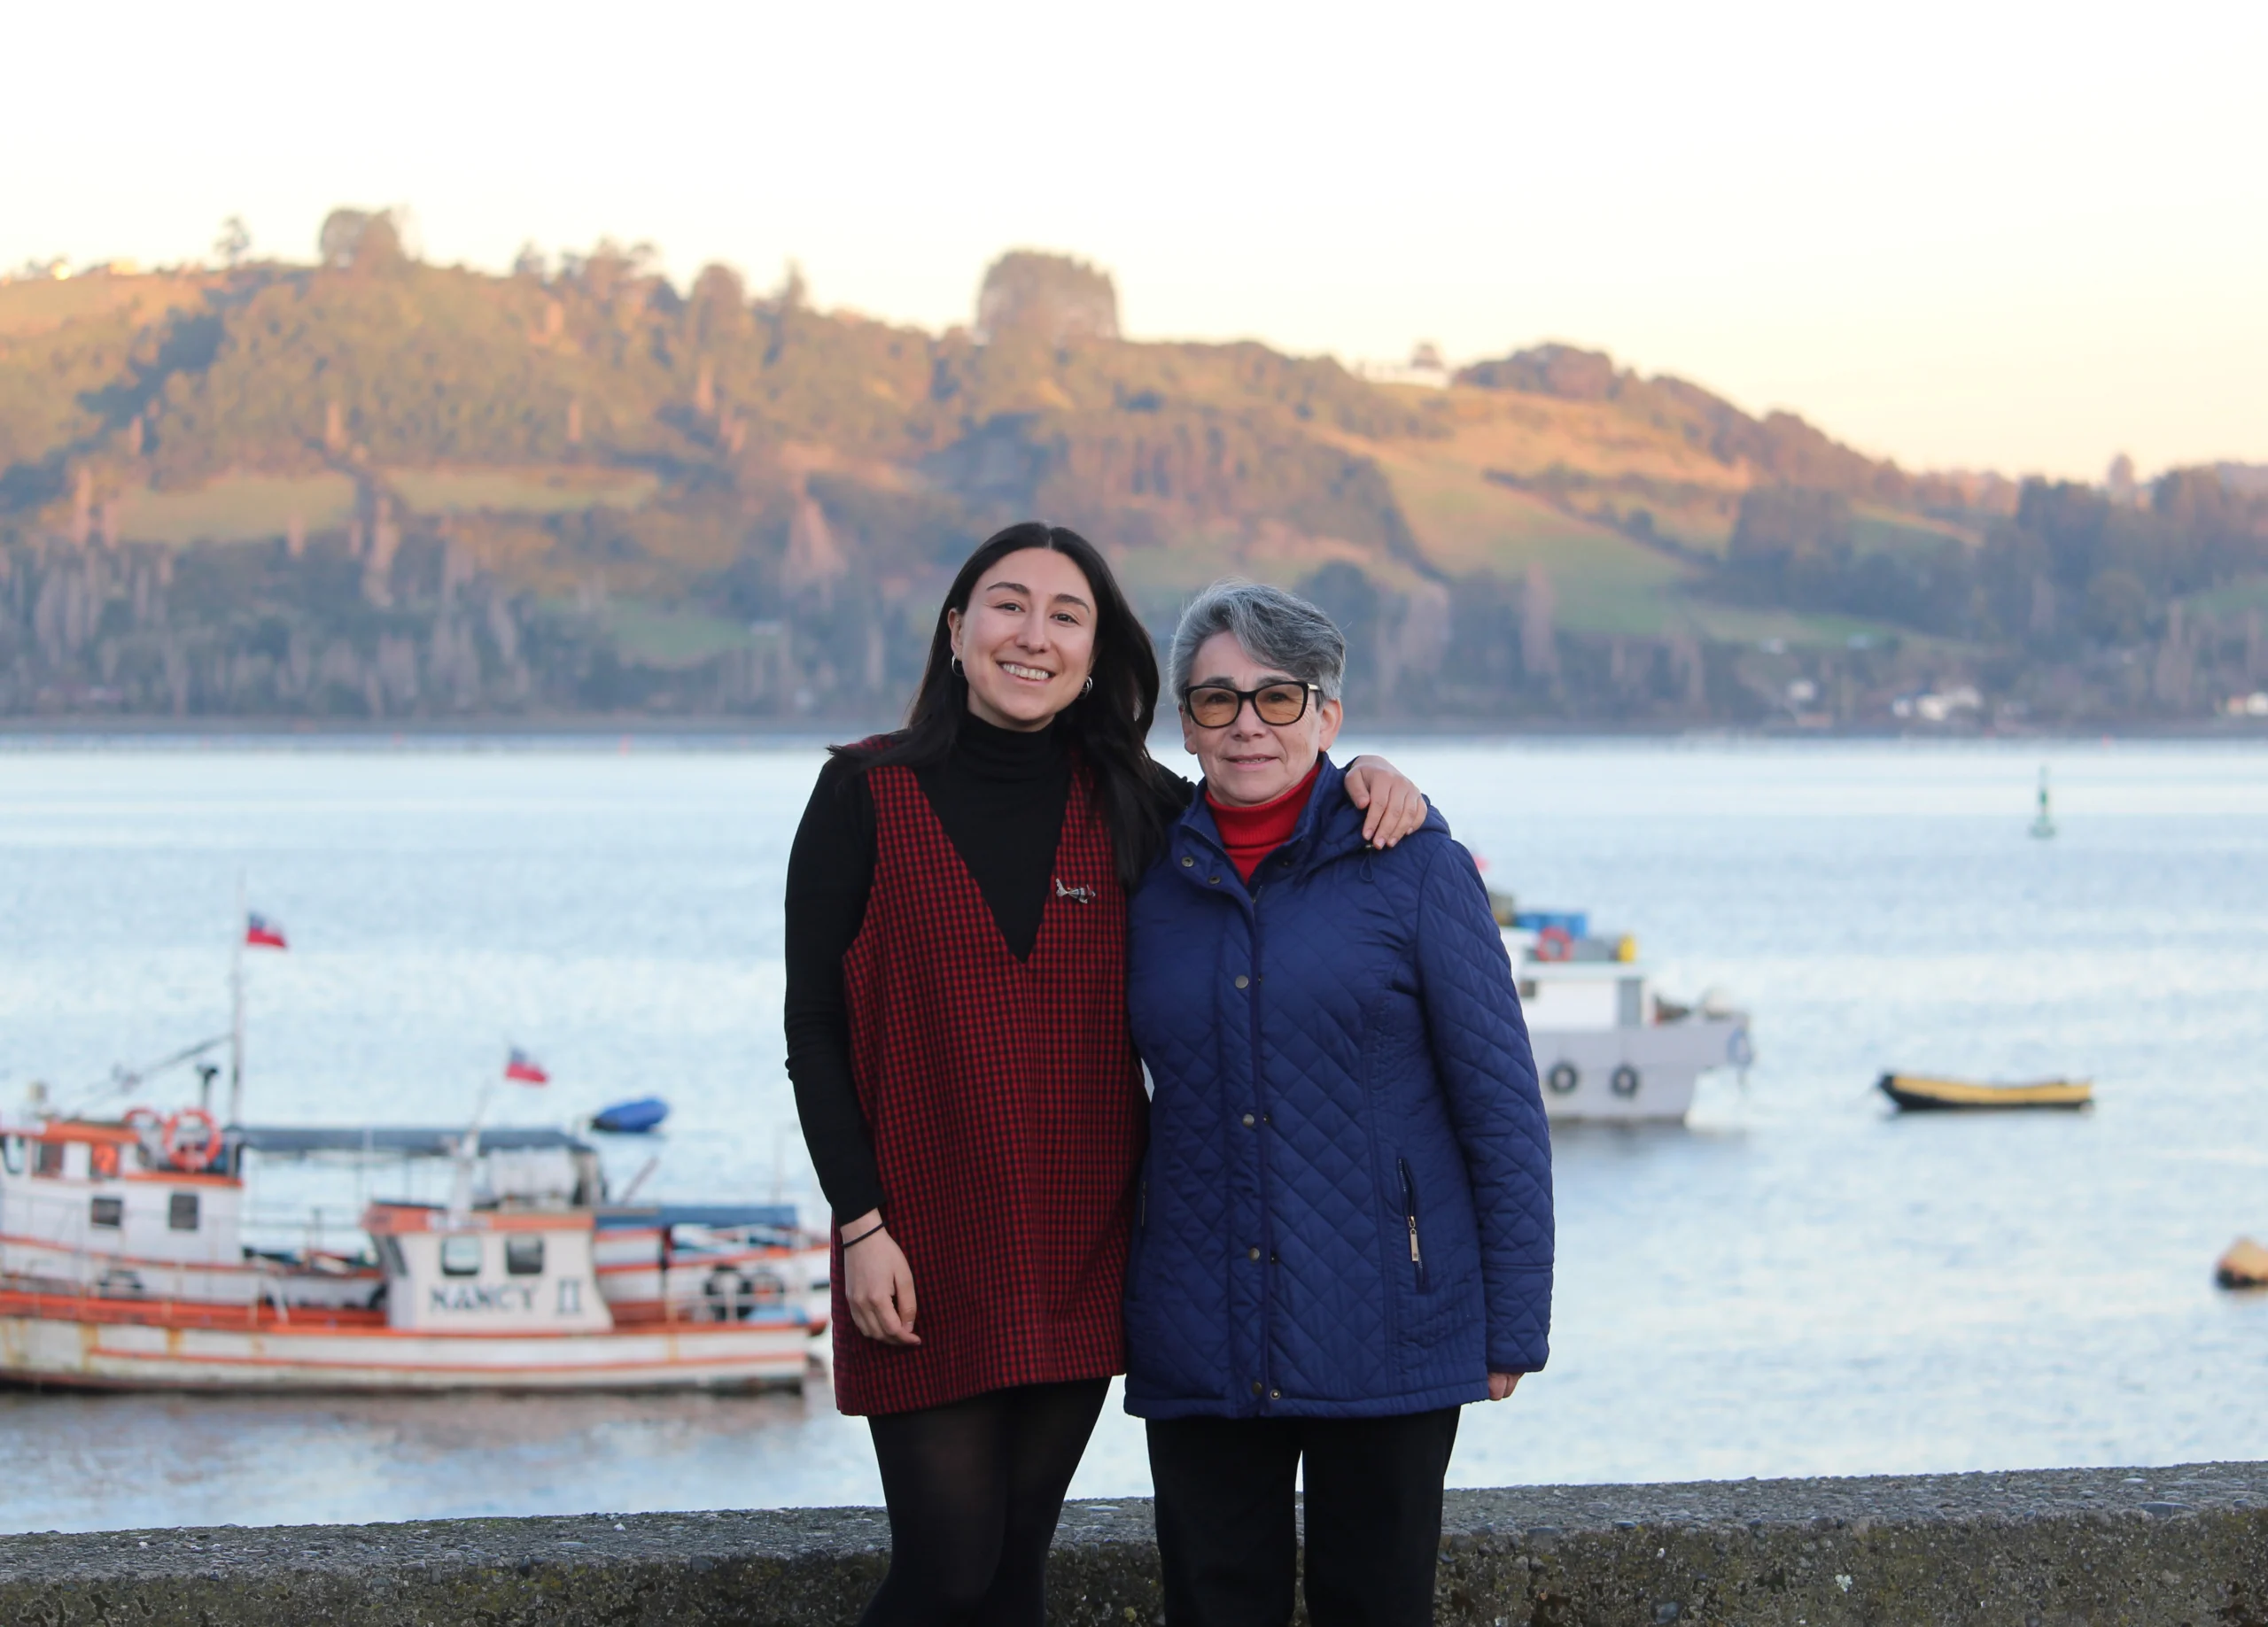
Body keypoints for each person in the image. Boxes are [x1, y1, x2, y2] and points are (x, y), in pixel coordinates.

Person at [783, 525, 1430, 1626]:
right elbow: (815, 1030)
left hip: (1084, 1241)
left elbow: (1267, 806)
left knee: (1015, 1567)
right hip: (917, 1245)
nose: (1032, 635)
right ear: (955, 630)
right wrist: (859, 1224)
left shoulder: (1138, 800)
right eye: (1006, 605)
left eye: (1065, 615)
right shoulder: (860, 793)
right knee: (945, 1565)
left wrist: (1361, 771)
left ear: (1093, 653)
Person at [1122, 579, 1554, 1627]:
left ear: (1328, 713)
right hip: (1201, 1326)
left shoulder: (1413, 867)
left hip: (1392, 1329)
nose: (1248, 724)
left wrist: (1514, 1324)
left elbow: (1500, 1103)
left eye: (1279, 697)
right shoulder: (1145, 873)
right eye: (1218, 699)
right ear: (1187, 721)